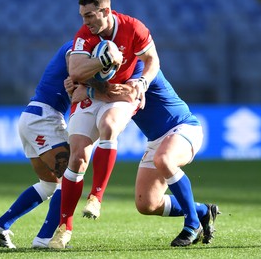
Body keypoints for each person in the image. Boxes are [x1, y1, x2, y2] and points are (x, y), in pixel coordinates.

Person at [48, 0, 161, 249]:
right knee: (77, 157)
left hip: (121, 96)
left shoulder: (134, 28)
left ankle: (96, 197)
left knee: (109, 126)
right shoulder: (84, 34)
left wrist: (142, 83)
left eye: (89, 15)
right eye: (82, 16)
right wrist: (104, 60)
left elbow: (152, 59)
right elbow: (75, 70)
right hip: (89, 96)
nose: (85, 22)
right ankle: (64, 229)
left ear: (106, 11)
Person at [67, 66, 220, 247]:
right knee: (146, 204)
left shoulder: (142, 67)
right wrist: (74, 83)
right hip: (156, 140)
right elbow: (104, 89)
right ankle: (202, 211)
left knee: (164, 160)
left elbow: (129, 94)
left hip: (183, 128)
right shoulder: (112, 70)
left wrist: (88, 91)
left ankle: (192, 224)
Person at [0, 40, 73, 249]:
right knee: (70, 177)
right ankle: (44, 239)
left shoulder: (80, 47)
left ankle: (0, 225)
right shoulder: (79, 46)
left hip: (33, 115)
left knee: (49, 184)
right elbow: (73, 64)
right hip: (45, 118)